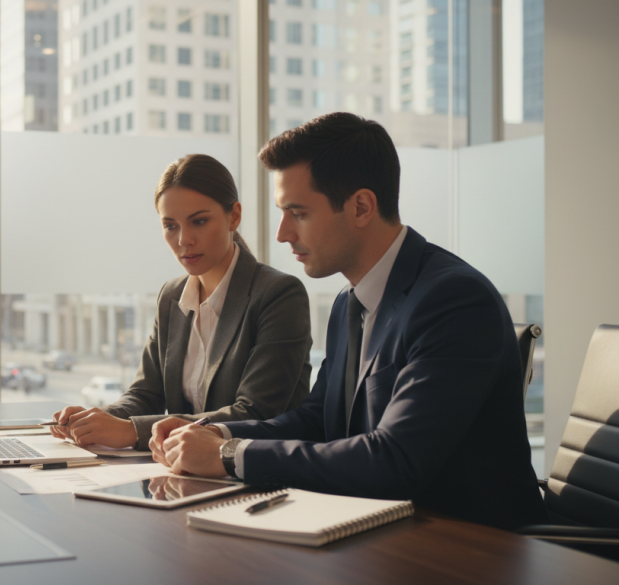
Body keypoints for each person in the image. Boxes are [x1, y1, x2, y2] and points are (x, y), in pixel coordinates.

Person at [149, 114, 548, 530]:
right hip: (380, 532)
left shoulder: (455, 301)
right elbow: (319, 420)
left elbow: (396, 460)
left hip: (469, 549)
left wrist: (231, 458)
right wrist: (216, 433)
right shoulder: (349, 303)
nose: (282, 233)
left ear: (360, 207)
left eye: (297, 212)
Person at [50, 154, 313, 452]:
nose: (184, 240)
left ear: (234, 216)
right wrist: (96, 420)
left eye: (199, 221)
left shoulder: (278, 294)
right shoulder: (172, 296)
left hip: (258, 477)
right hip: (183, 473)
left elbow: (254, 413)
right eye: (170, 226)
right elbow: (145, 394)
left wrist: (132, 432)